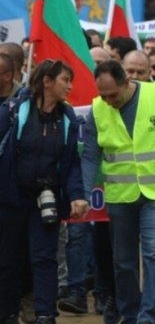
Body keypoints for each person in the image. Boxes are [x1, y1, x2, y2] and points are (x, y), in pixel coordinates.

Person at [81, 60, 155, 324]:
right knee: (123, 260)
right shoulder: (98, 109)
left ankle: (147, 316)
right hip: (120, 196)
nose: (109, 100)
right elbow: (90, 155)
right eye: (103, 95)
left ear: (126, 82)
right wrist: (83, 192)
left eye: (113, 94)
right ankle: (130, 313)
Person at [0, 59, 89, 324]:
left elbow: (72, 162)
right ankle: (6, 313)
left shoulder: (68, 118)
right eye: (65, 80)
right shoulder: (13, 111)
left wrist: (77, 195)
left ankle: (45, 314)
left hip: (46, 201)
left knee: (45, 259)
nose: (70, 87)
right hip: (10, 201)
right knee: (7, 260)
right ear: (46, 82)